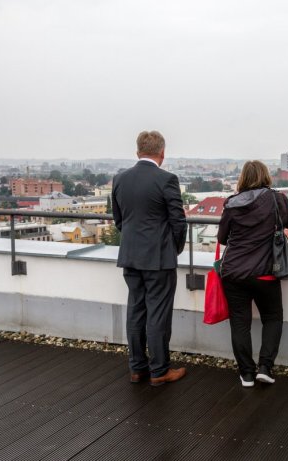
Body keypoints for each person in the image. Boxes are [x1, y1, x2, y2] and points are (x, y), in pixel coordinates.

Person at [112, 130, 188, 387]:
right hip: (158, 258)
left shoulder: (120, 178)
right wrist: (174, 249)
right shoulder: (167, 179)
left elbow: (119, 220)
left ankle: (137, 369)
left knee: (135, 311)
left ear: (137, 152)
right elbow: (178, 221)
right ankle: (159, 370)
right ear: (162, 153)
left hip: (131, 256)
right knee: (158, 314)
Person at [217, 160, 288, 388]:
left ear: (242, 178)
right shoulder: (276, 199)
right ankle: (265, 367)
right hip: (265, 272)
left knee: (240, 322)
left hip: (234, 273)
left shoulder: (232, 204)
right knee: (272, 317)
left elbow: (222, 238)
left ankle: (246, 373)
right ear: (266, 176)